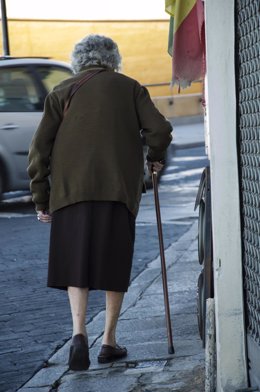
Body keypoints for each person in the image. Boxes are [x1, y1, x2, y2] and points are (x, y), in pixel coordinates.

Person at [28, 34, 172, 371]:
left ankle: (79, 334)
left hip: (69, 192)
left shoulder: (61, 91)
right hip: (117, 192)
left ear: (78, 60)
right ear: (113, 59)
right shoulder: (130, 87)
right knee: (113, 261)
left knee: (77, 262)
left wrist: (41, 198)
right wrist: (154, 157)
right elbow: (160, 130)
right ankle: (108, 340)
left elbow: (39, 151)